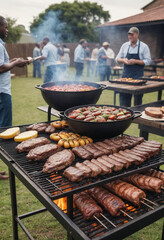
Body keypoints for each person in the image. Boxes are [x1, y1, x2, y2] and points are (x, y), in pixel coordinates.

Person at [0, 16, 28, 180]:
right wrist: (15, 64)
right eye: (5, 26)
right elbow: (1, 67)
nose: (7, 30)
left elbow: (4, 63)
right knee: (4, 132)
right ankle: (10, 167)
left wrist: (14, 61)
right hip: (2, 93)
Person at [115, 27, 151, 107]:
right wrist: (124, 60)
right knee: (124, 100)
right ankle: (125, 117)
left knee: (137, 101)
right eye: (129, 34)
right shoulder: (124, 45)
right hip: (125, 77)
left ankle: (136, 117)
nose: (130, 36)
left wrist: (135, 61)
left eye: (132, 34)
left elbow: (148, 61)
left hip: (138, 78)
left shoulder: (144, 46)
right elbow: (117, 59)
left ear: (137, 34)